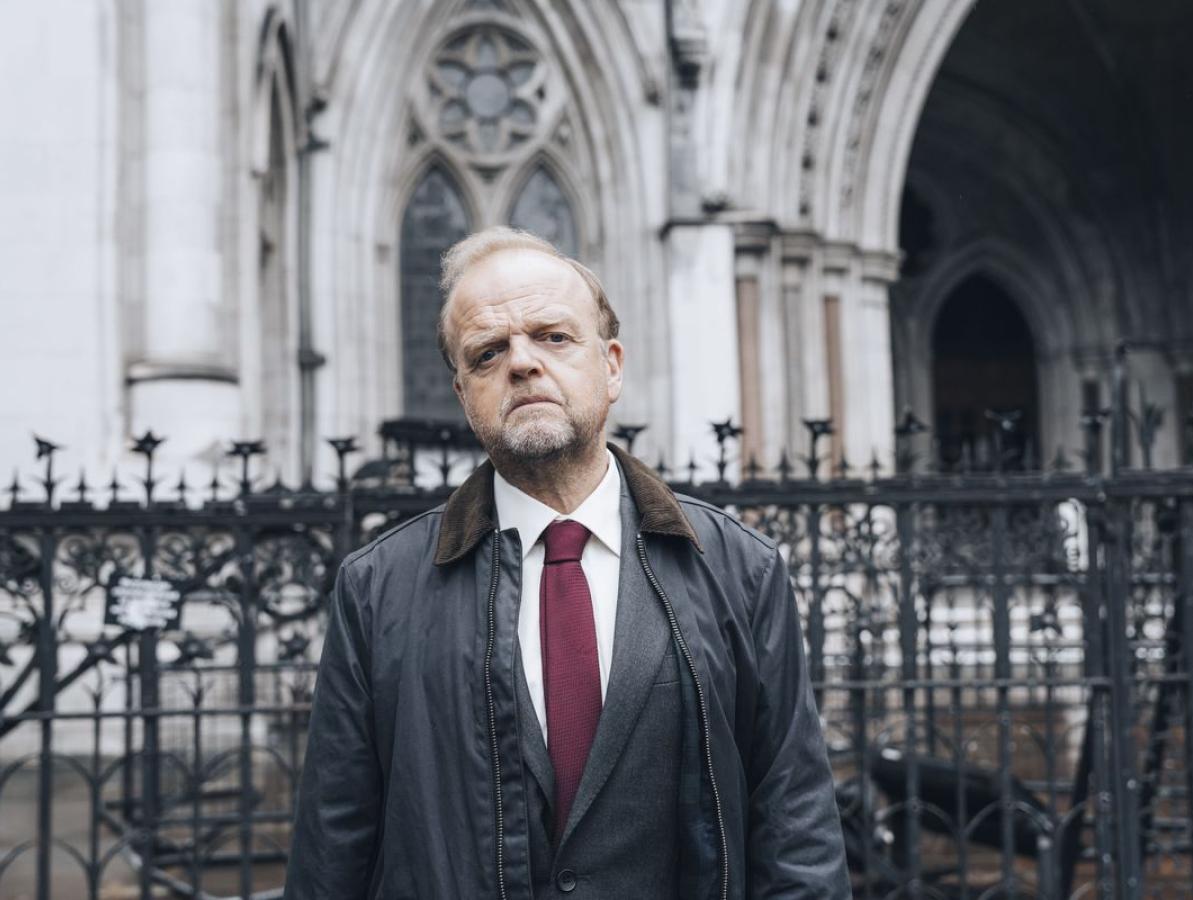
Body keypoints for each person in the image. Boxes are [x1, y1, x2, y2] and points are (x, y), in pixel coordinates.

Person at [284, 227, 850, 898]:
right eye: (489, 352)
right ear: (464, 395)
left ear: (611, 366)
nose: (522, 364)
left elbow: (796, 828)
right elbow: (334, 845)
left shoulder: (741, 571)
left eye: (553, 337)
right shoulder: (378, 589)